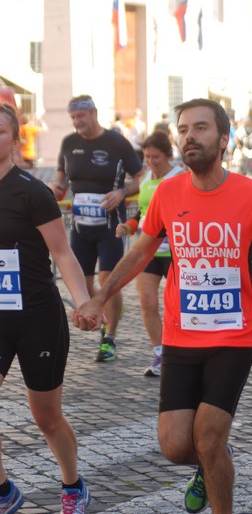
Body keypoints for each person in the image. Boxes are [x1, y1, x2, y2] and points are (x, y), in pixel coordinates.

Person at [72, 98, 252, 514]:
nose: (189, 136)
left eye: (201, 128)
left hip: (233, 336)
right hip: (181, 336)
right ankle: (210, 460)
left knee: (208, 434)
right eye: (183, 129)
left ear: (224, 138)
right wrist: (99, 297)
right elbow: (138, 255)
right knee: (177, 445)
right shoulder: (169, 194)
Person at [0, 103, 93, 514]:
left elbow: (64, 254)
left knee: (45, 416)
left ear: (16, 141)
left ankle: (73, 487)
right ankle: (4, 493)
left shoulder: (31, 192)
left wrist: (84, 302)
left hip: (37, 315)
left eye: (0, 131)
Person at [51, 95, 143, 362]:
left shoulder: (116, 142)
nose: (78, 122)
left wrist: (122, 193)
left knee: (108, 281)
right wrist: (54, 191)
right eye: (74, 118)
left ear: (93, 113)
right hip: (81, 227)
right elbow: (61, 181)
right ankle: (104, 314)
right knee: (84, 284)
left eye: (81, 116)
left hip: (110, 225)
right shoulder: (69, 143)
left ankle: (109, 337)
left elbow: (142, 179)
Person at [115, 131, 185, 377]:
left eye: (156, 157)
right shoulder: (144, 179)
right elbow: (142, 214)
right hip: (148, 250)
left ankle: (183, 352)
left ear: (168, 155)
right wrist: (129, 227)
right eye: (147, 156)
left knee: (178, 306)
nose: (152, 161)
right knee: (147, 303)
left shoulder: (181, 176)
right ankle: (161, 353)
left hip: (176, 251)